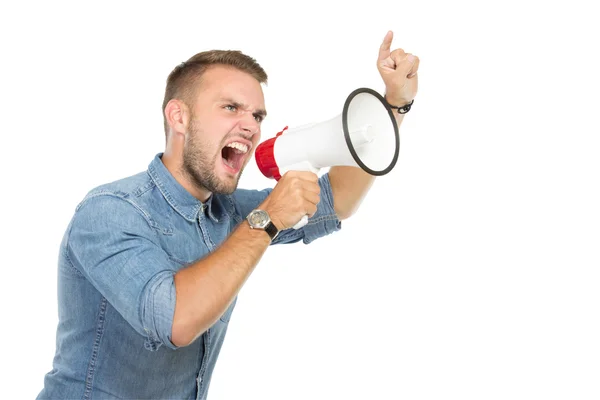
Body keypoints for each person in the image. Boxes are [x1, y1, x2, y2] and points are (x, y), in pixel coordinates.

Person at [37, 30, 419, 400]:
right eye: (231, 108)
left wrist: (394, 105)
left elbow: (338, 199)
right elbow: (175, 321)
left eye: (257, 115)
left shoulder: (229, 211)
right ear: (179, 117)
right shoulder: (110, 212)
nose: (251, 126)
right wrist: (267, 217)